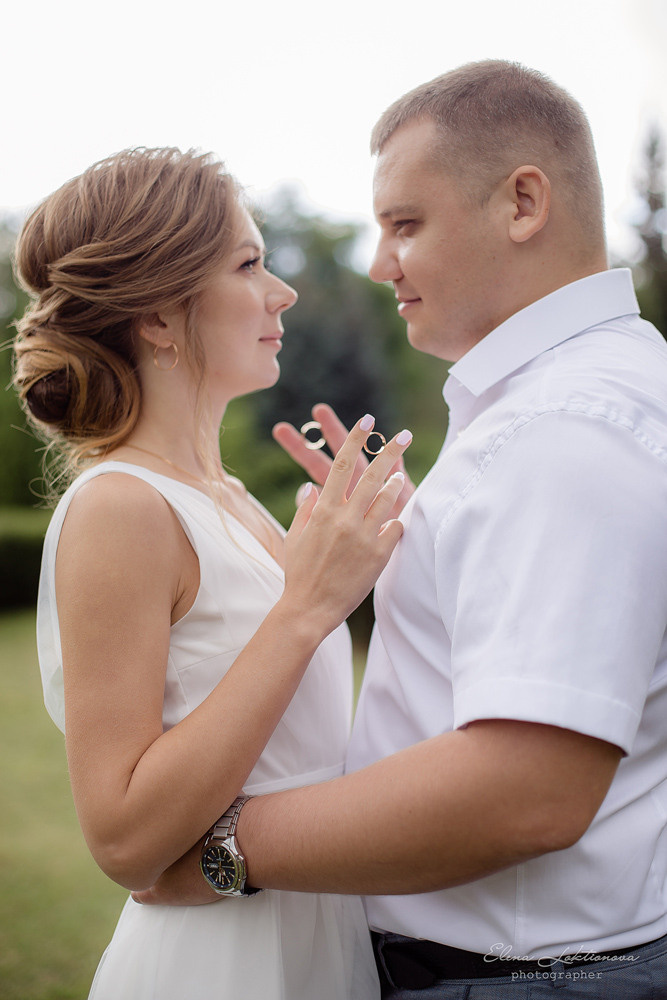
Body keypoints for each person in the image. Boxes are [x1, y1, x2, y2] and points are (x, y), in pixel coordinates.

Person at [134, 62, 667, 998]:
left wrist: (224, 852)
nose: (380, 265)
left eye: (404, 223)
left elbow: (526, 792)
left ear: (523, 202)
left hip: (519, 978)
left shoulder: (562, 431)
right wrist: (432, 543)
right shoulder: (586, 395)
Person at [11, 146, 416, 1000]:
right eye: (248, 264)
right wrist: (306, 606)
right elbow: (125, 841)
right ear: (159, 316)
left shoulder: (231, 498)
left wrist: (389, 535)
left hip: (322, 939)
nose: (284, 292)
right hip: (221, 967)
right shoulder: (120, 507)